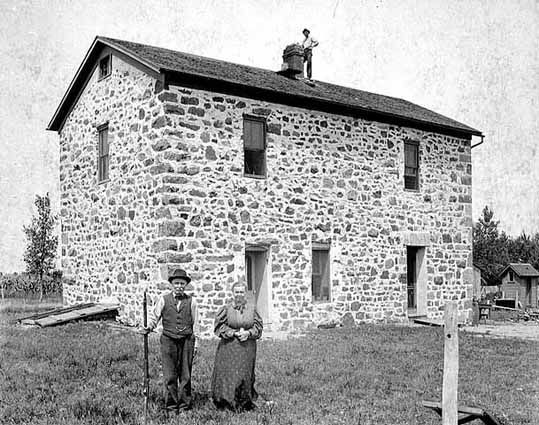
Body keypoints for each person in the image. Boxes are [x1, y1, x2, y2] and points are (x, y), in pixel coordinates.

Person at [141, 268, 200, 412]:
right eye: (176, 283)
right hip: (168, 340)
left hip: (187, 340)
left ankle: (185, 405)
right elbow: (155, 317)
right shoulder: (164, 299)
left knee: (185, 374)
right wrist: (148, 327)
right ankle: (172, 406)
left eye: (182, 283)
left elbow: (196, 324)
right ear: (172, 285)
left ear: (186, 285)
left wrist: (196, 343)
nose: (179, 286)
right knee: (170, 374)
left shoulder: (192, 302)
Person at [211, 281, 263, 411]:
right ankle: (227, 400)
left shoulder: (252, 309)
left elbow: (258, 327)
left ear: (245, 293)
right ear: (232, 293)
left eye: (242, 292)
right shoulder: (226, 309)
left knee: (244, 373)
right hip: (229, 346)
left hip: (247, 347)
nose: (239, 295)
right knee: (229, 373)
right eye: (237, 292)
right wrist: (233, 333)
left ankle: (244, 400)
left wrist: (248, 333)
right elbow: (219, 327)